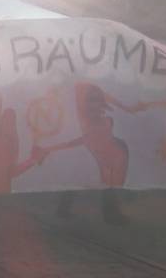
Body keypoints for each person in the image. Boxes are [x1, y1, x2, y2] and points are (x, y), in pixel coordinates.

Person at [51, 82, 139, 225]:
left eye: (98, 99)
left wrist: (125, 107)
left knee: (105, 182)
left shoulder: (105, 119)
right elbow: (79, 89)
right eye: (92, 100)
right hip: (90, 153)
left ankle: (109, 213)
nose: (95, 103)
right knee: (81, 179)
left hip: (105, 152)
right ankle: (66, 209)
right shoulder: (85, 117)